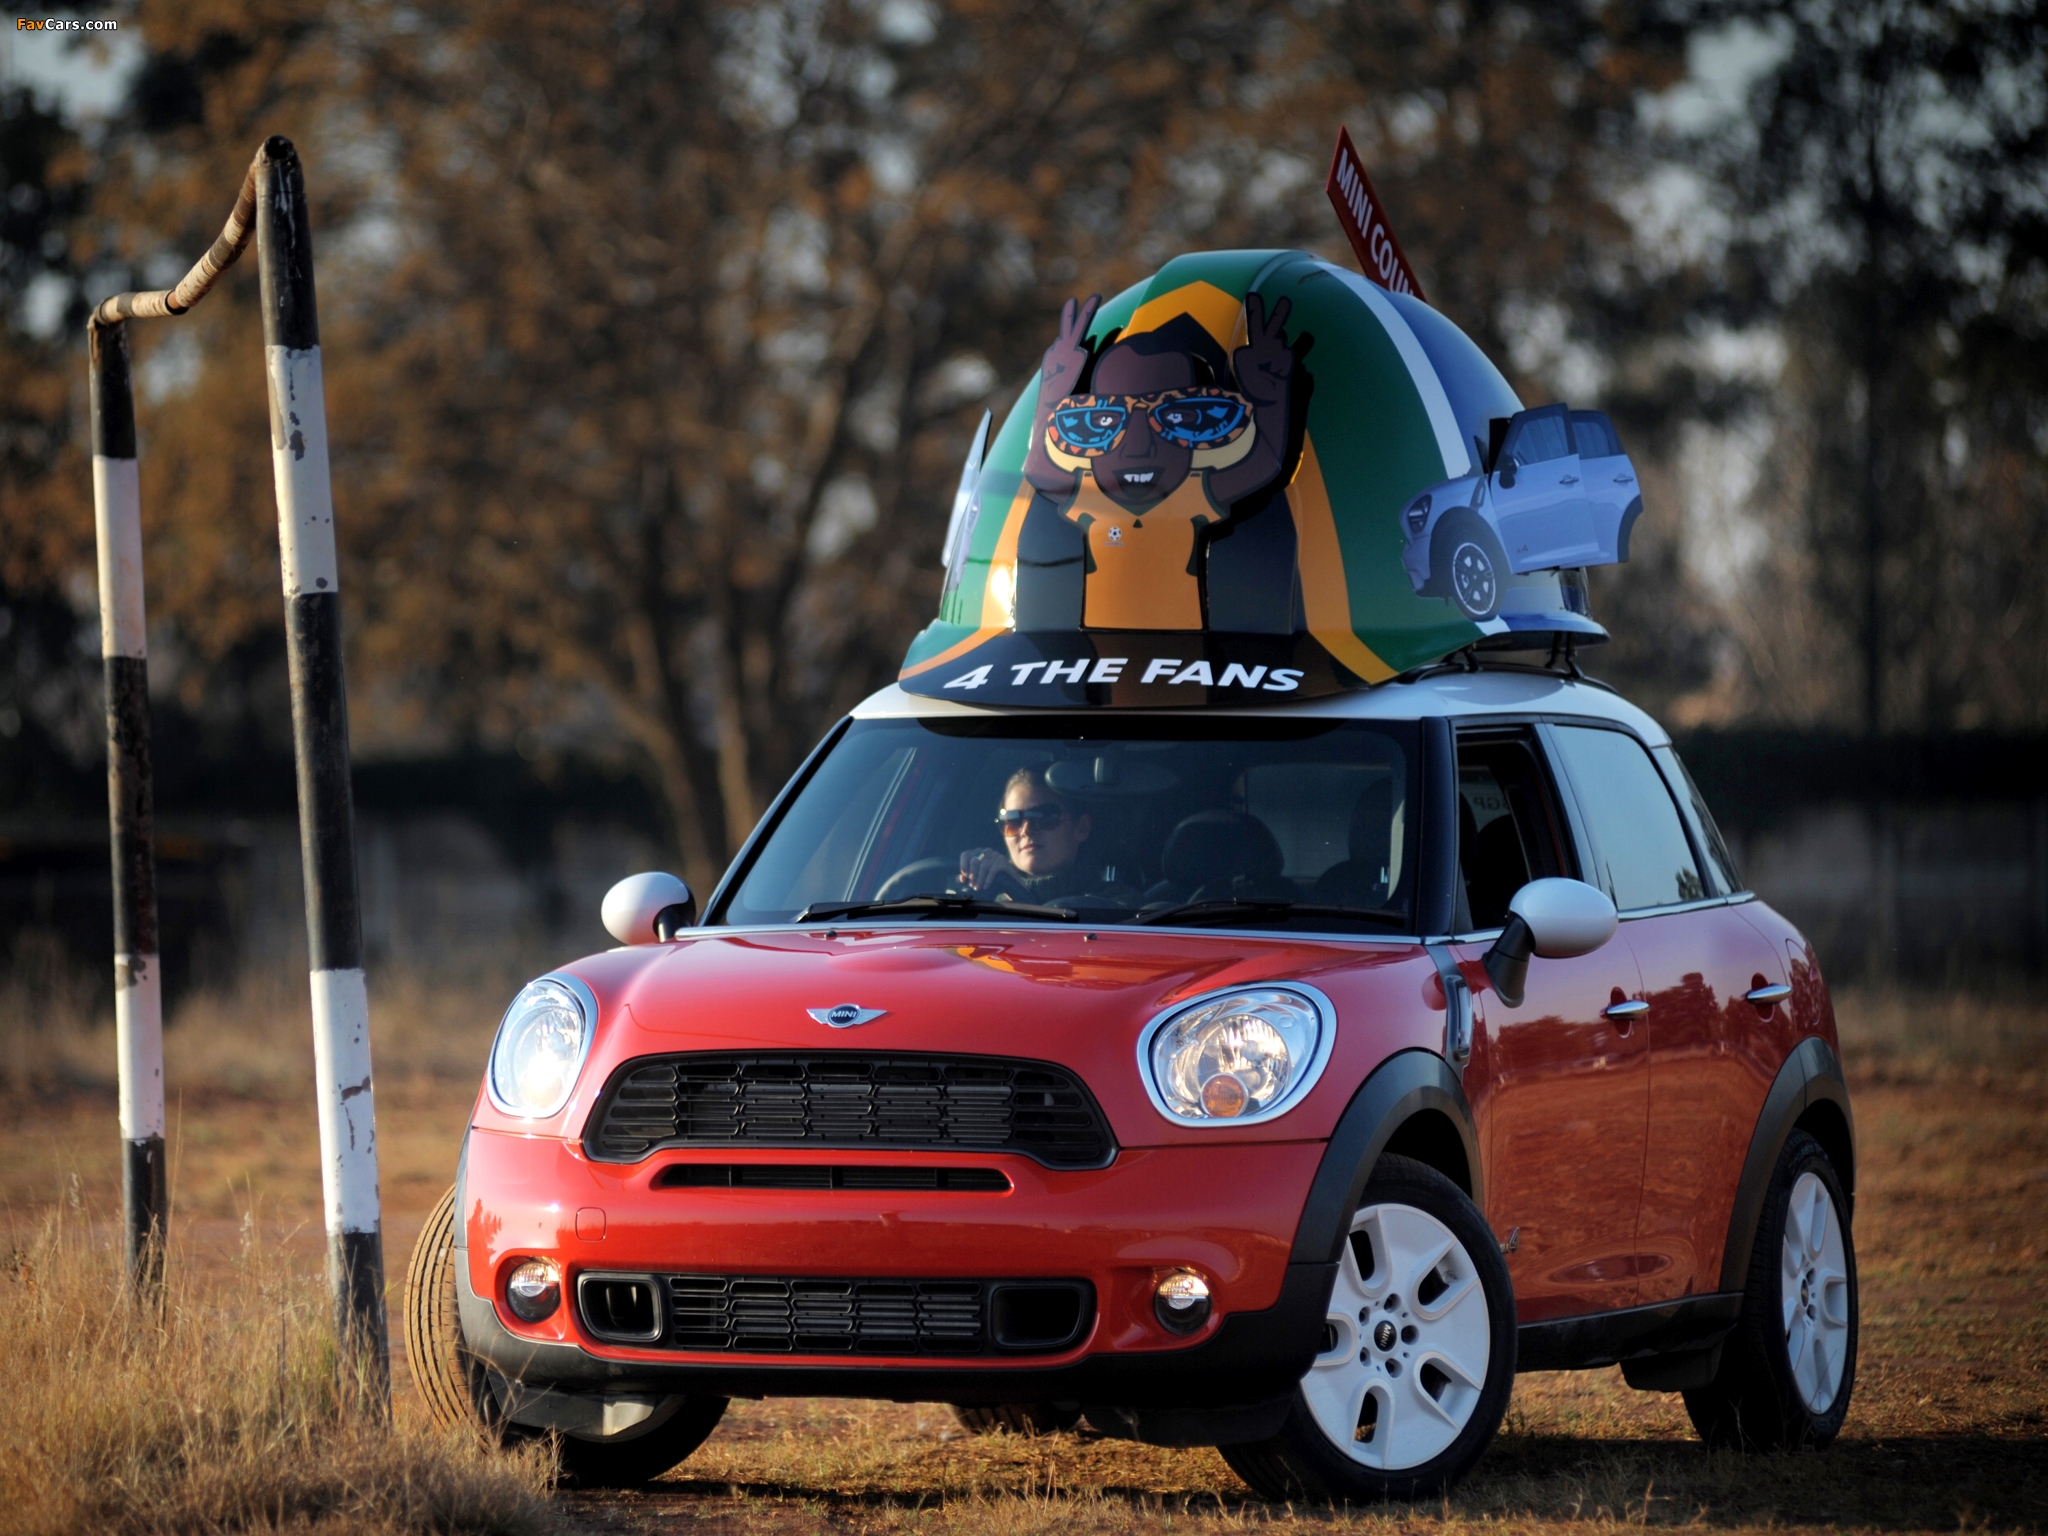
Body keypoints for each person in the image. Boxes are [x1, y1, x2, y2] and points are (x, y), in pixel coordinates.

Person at [958, 766, 1093, 901]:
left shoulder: (1102, 906)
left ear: (1082, 828)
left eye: (1044, 817)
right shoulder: (981, 903)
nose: (1026, 830)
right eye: (1013, 820)